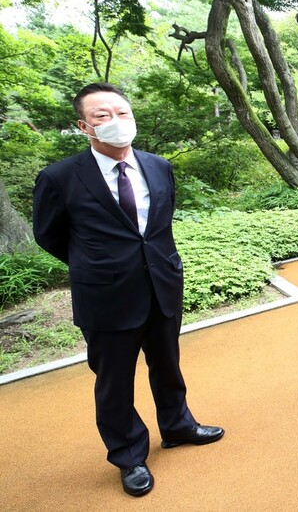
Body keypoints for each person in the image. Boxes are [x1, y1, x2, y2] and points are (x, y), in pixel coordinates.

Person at [32, 83, 224, 498]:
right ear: (84, 126)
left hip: (161, 284)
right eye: (102, 115)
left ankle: (177, 426)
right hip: (105, 295)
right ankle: (128, 454)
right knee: (114, 381)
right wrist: (95, 263)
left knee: (168, 365)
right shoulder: (60, 177)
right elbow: (49, 235)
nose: (116, 122)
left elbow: (159, 225)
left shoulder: (157, 166)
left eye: (122, 112)